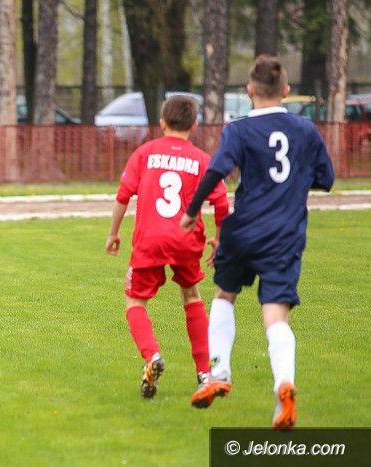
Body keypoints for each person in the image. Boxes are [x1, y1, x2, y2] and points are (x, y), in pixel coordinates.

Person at [181, 55, 335, 430]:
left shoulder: (239, 130)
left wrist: (192, 210)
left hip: (244, 231)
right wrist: (294, 182)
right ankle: (284, 385)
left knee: (224, 295)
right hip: (285, 235)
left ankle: (219, 371)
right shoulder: (305, 130)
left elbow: (217, 169)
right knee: (275, 314)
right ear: (286, 90)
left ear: (250, 90)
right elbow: (326, 179)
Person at [105, 95, 229, 400]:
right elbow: (222, 203)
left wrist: (113, 233)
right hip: (186, 239)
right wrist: (219, 238)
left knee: (135, 301)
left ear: (162, 123)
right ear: (194, 125)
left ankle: (152, 356)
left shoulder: (145, 153)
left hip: (149, 239)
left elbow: (123, 196)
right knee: (192, 296)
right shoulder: (201, 160)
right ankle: (204, 372)